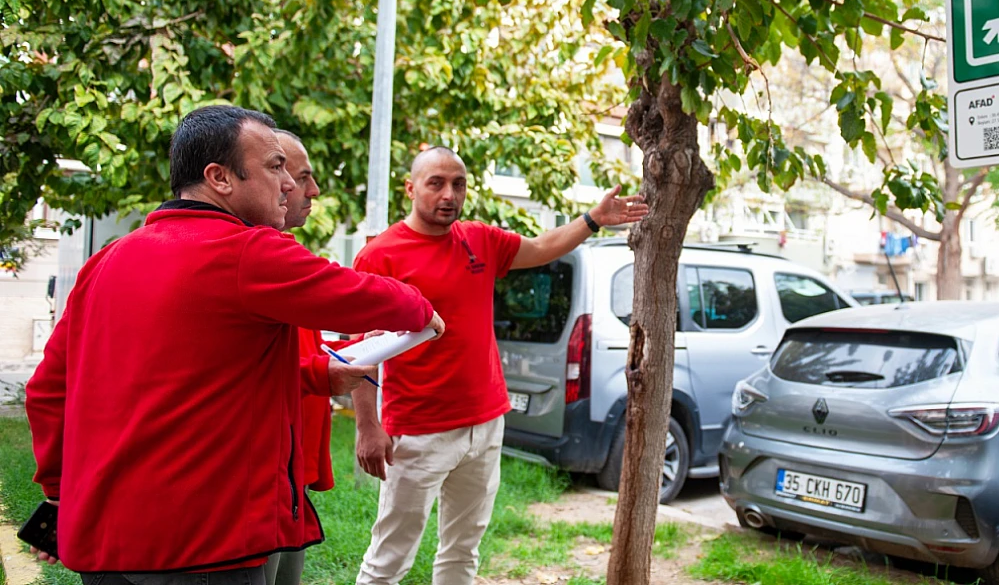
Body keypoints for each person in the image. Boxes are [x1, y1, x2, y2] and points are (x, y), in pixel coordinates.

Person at [25, 106, 443, 583]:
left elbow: (47, 390)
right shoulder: (247, 250)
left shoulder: (105, 261)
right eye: (274, 166)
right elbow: (365, 296)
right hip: (203, 544)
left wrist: (59, 493)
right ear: (219, 178)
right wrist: (420, 307)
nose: (288, 183)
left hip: (103, 543)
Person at [353, 147, 647, 585]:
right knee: (390, 558)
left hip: (486, 424)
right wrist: (366, 426)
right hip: (418, 429)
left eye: (459, 184)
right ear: (411, 188)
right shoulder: (381, 256)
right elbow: (359, 350)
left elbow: (542, 247)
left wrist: (592, 220)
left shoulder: (479, 239)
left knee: (463, 551)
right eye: (436, 183)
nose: (449, 194)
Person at [261, 129, 332, 585]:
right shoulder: (256, 258)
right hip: (258, 483)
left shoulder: (286, 255)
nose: (310, 189)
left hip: (290, 474)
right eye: (299, 175)